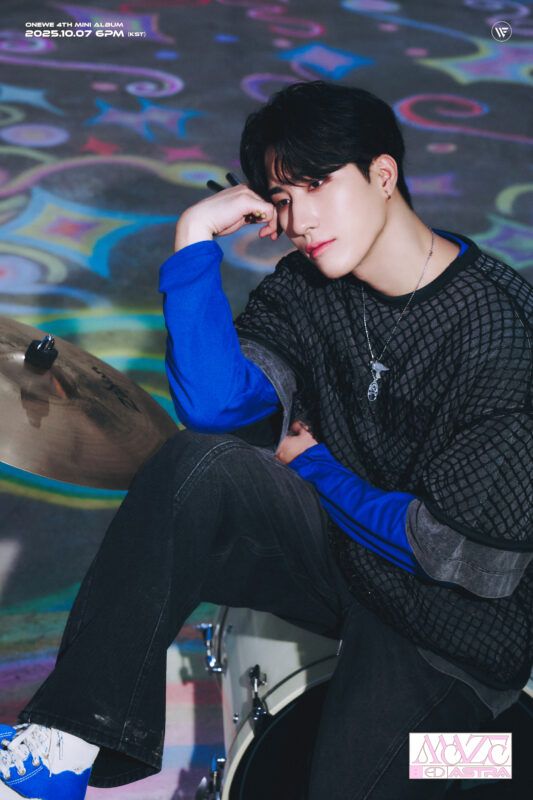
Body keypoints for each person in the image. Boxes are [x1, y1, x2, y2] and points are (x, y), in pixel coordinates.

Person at [0, 80, 531, 800]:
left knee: (352, 781)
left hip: (451, 627)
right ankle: (66, 746)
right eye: (282, 196)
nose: (299, 218)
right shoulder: (310, 286)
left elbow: (459, 556)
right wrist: (194, 239)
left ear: (382, 175)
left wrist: (314, 469)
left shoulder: (502, 333)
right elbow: (218, 412)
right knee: (197, 466)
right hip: (346, 563)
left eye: (316, 184)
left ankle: (495, 760)